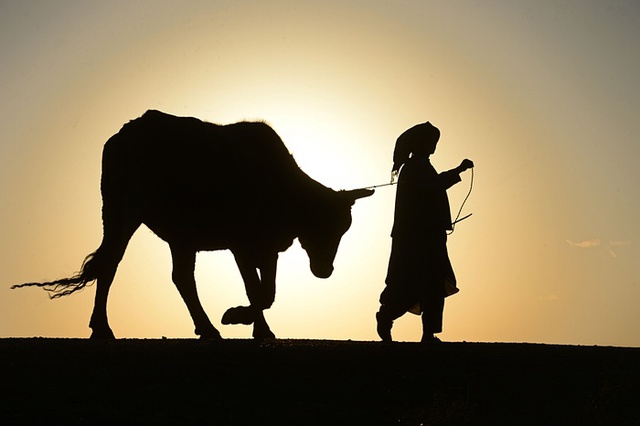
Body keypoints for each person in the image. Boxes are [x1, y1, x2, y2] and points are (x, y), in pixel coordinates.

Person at [377, 122, 473, 343]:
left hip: (428, 237)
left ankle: (428, 333)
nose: (434, 146)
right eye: (431, 141)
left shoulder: (420, 167)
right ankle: (386, 317)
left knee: (432, 284)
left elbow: (432, 185)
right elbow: (433, 186)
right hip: (415, 239)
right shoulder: (415, 168)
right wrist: (458, 170)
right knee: (410, 282)